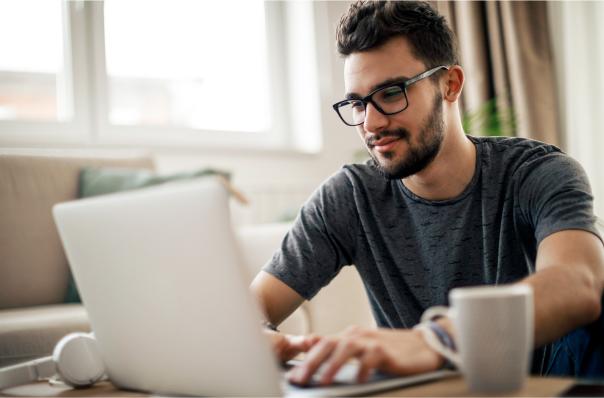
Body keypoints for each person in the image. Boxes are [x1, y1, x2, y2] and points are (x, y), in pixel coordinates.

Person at [251, 0, 604, 386]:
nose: (371, 123)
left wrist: (435, 340)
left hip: (536, 386)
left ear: (450, 84)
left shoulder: (536, 173)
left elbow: (579, 281)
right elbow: (253, 306)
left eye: (390, 93)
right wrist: (258, 340)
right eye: (357, 102)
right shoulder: (349, 197)